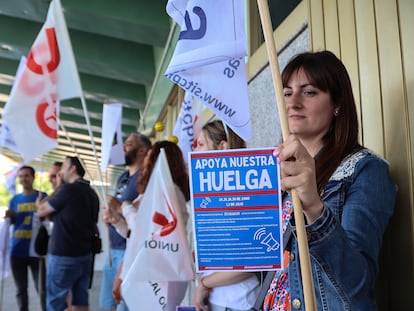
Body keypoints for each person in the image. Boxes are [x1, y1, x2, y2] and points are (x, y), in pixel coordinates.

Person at [261, 50, 396, 310]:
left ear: (337, 105)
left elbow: (355, 285)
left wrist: (314, 207)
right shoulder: (278, 171)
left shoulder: (364, 170)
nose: (293, 102)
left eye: (309, 92)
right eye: (287, 92)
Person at [104, 140, 191, 311]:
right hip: (151, 268)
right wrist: (117, 222)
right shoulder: (153, 193)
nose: (145, 162)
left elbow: (146, 231)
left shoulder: (167, 191)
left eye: (150, 157)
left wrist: (126, 207)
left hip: (163, 272)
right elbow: (134, 236)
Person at [193, 120, 261, 311]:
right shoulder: (213, 196)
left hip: (239, 303)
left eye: (201, 144)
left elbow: (249, 263)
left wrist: (205, 284)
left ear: (222, 146)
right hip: (218, 301)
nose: (195, 152)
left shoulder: (245, 195)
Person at [36, 156, 100, 311]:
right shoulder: (92, 193)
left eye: (63, 168)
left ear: (73, 169)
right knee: (80, 301)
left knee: (55, 302)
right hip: (85, 255)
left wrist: (42, 201)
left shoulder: (68, 189)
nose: (60, 173)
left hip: (63, 255)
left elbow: (41, 211)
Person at [100, 132, 152, 311]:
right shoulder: (122, 176)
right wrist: (111, 216)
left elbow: (145, 217)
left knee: (125, 304)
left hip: (129, 249)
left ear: (142, 151)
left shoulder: (145, 179)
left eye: (129, 144)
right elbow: (120, 211)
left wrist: (119, 206)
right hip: (113, 246)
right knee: (110, 303)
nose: (124, 147)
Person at [6, 165, 47, 311]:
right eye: (21, 176)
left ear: (33, 177)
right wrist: (9, 216)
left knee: (41, 289)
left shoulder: (42, 196)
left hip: (36, 250)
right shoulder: (14, 200)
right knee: (21, 290)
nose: (23, 179)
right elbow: (10, 223)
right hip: (17, 251)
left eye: (26, 175)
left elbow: (48, 221)